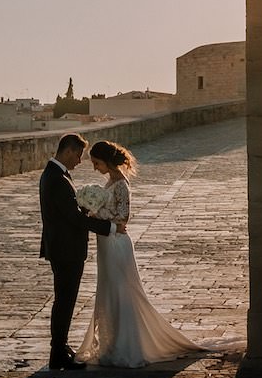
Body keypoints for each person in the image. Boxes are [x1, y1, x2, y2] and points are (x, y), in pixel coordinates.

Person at [75, 138, 203, 366]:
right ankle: (111, 343)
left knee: (121, 293)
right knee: (109, 292)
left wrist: (95, 215)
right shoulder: (110, 182)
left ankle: (126, 346)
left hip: (116, 244)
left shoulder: (121, 185)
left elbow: (123, 218)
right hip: (106, 243)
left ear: (106, 161)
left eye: (96, 163)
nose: (94, 168)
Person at [39, 131, 114, 370]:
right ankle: (57, 353)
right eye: (78, 155)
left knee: (65, 300)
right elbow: (73, 218)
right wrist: (108, 227)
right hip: (66, 249)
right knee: (65, 301)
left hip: (62, 248)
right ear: (69, 150)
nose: (79, 161)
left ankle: (60, 348)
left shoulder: (55, 175)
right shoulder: (57, 179)